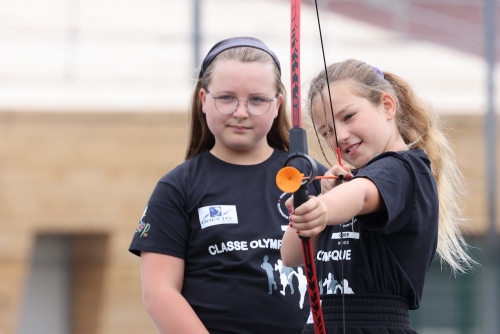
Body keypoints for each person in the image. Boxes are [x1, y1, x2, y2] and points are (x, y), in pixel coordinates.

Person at [129, 37, 327, 334]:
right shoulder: (178, 187)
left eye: (258, 100)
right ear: (203, 101)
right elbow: (159, 293)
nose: (241, 112)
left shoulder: (314, 179)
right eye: (226, 97)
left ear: (278, 106)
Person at [280, 59, 475, 333]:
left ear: (387, 105)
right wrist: (315, 209)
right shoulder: (345, 187)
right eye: (327, 132)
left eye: (348, 117)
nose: (340, 136)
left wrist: (323, 207)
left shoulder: (404, 168)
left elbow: (361, 195)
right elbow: (290, 256)